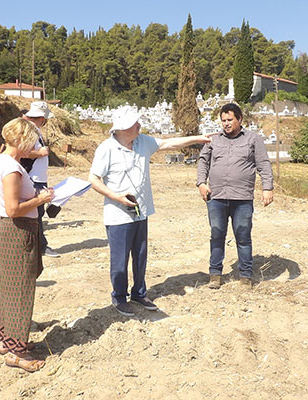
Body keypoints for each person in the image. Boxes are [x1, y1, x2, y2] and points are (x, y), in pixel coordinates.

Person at [88, 105, 216, 317]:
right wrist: (116, 197)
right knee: (119, 261)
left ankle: (139, 293)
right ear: (123, 128)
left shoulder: (142, 142)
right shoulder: (106, 149)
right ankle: (119, 297)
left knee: (140, 255)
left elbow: (167, 143)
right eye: (135, 123)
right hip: (118, 214)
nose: (139, 125)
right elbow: (93, 179)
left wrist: (198, 138)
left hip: (141, 210)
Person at [0, 117, 54, 372]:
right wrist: (41, 199)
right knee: (21, 292)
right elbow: (13, 209)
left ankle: (8, 341)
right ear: (19, 140)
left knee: (11, 289)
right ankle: (16, 352)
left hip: (12, 232)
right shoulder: (12, 168)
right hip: (17, 232)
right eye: (31, 142)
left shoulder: (6, 162)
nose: (34, 147)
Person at [196, 103, 274, 289]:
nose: (226, 123)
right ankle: (215, 274)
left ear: (240, 119)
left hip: (242, 198)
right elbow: (203, 161)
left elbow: (263, 163)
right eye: (223, 120)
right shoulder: (213, 140)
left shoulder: (253, 139)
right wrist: (201, 183)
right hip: (216, 197)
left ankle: (245, 276)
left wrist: (267, 188)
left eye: (230, 120)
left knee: (243, 236)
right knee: (217, 234)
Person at [21, 101, 59, 257]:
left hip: (37, 178)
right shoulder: (29, 131)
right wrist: (40, 153)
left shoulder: (33, 130)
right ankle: (39, 246)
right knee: (36, 213)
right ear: (43, 119)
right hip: (33, 178)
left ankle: (37, 245)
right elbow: (22, 151)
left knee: (37, 213)